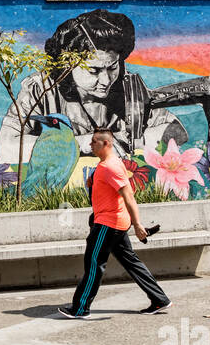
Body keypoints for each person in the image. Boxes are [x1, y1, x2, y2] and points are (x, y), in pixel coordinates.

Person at [0, 9, 210, 168]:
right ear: (67, 65)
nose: (106, 80)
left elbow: (176, 132)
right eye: (94, 71)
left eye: (112, 67)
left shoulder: (127, 86)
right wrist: (82, 143)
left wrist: (139, 142)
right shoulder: (40, 90)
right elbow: (5, 147)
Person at [58, 128, 172, 319]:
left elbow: (129, 196)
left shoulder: (110, 166)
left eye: (94, 141)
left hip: (108, 225)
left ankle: (80, 309)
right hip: (115, 222)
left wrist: (138, 225)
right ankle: (159, 299)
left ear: (106, 144)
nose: (90, 144)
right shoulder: (107, 165)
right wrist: (93, 180)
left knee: (94, 264)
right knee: (131, 262)